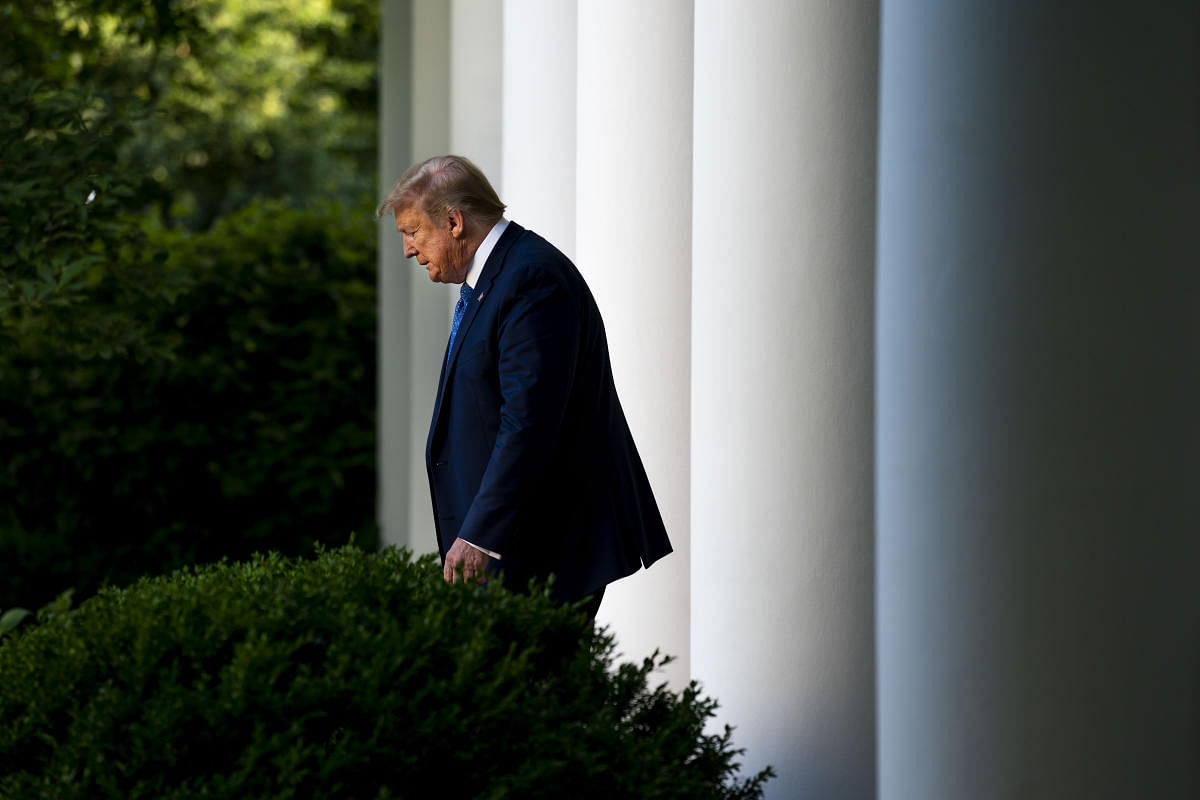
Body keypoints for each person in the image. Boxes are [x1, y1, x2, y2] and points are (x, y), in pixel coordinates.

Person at [378, 155, 672, 619]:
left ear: (454, 222)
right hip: (519, 545)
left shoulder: (531, 279)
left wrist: (479, 535)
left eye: (412, 232)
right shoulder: (499, 277)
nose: (408, 250)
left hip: (541, 550)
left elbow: (528, 423)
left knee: (533, 687)